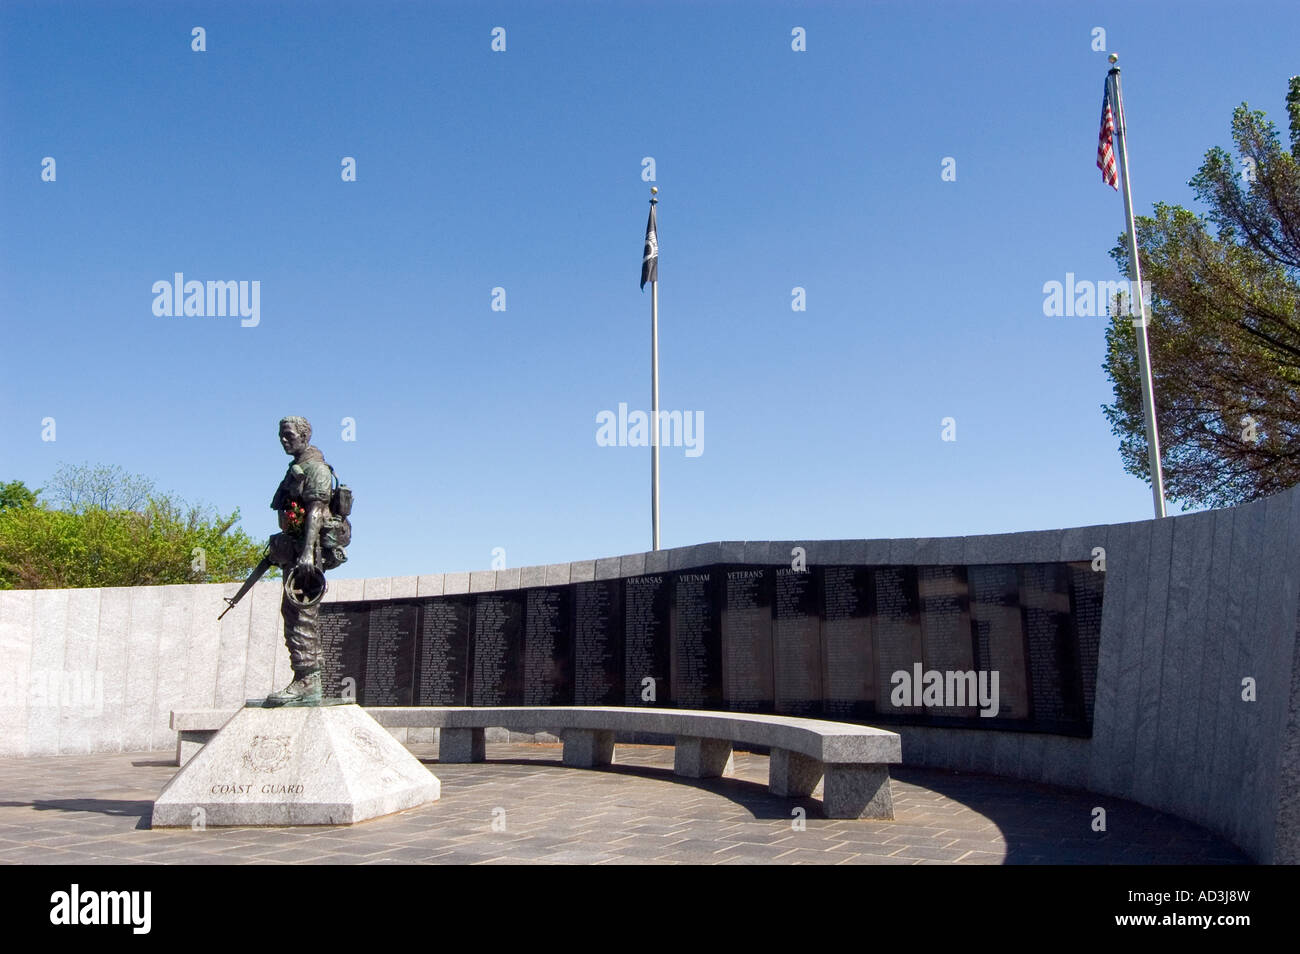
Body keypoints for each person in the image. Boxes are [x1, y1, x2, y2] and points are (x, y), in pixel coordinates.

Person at [264, 416, 348, 706]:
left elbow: (315, 510)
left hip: (307, 559)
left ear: (304, 436)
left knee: (301, 615)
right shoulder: (296, 469)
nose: (283, 439)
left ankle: (307, 680)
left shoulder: (316, 469)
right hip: (298, 554)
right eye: (280, 435)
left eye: (288, 434)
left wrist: (306, 553)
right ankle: (306, 677)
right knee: (294, 613)